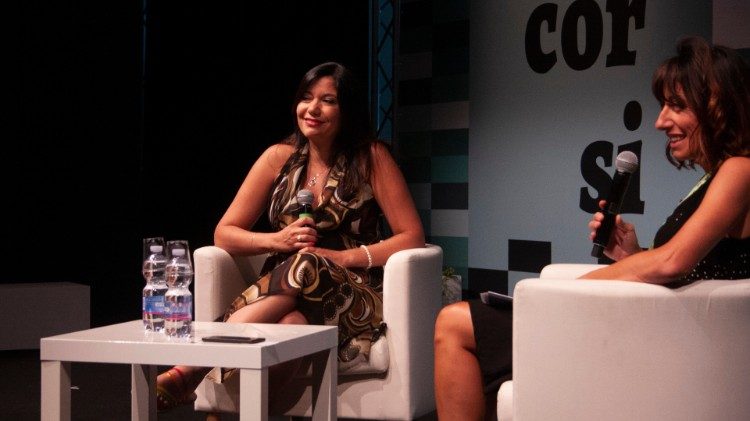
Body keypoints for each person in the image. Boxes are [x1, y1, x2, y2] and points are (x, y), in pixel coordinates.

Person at [434, 36, 750, 420]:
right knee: (466, 328)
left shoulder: (740, 169)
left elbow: (673, 262)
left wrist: (570, 292)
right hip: (658, 328)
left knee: (454, 323)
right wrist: (631, 254)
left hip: (669, 343)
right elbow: (693, 266)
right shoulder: (718, 175)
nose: (660, 121)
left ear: (717, 105)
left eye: (677, 106)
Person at [156, 61, 425, 412]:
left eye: (328, 100)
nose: (312, 109)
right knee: (291, 325)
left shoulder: (370, 158)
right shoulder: (278, 158)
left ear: (347, 109)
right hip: (286, 290)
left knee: (308, 261)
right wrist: (276, 241)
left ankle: (192, 367)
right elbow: (224, 234)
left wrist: (344, 257)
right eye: (306, 98)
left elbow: (412, 235)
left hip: (351, 292)